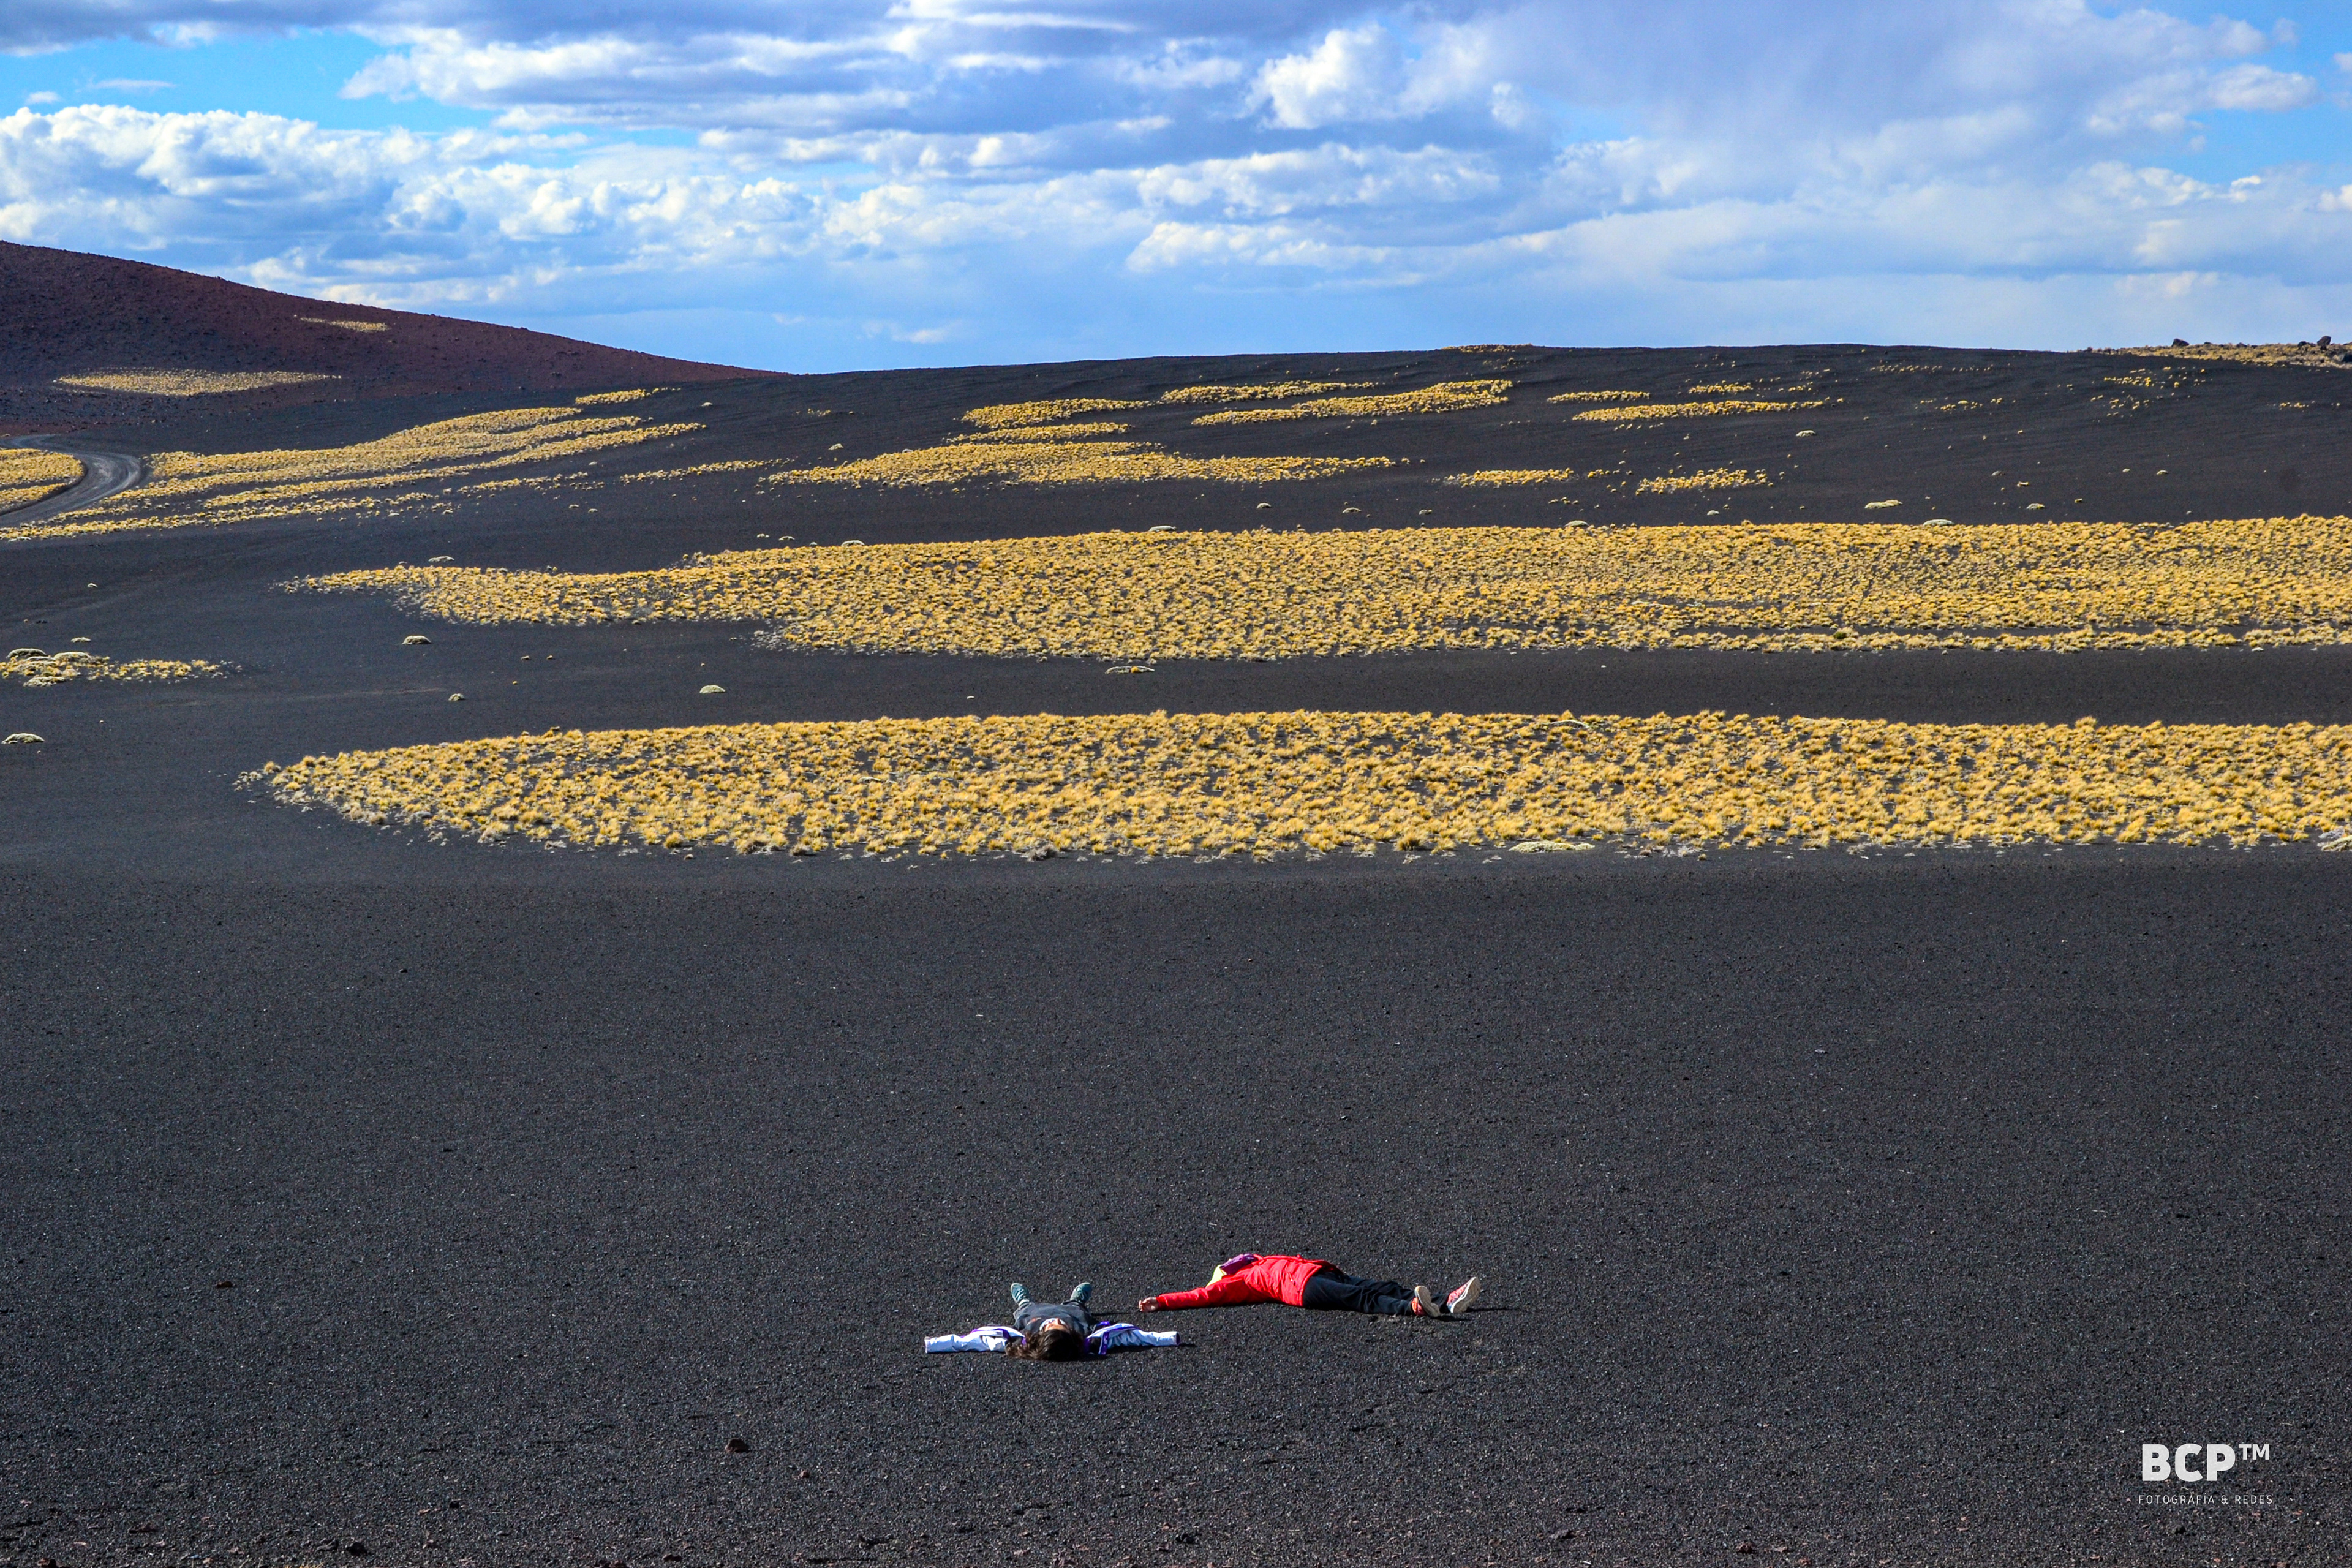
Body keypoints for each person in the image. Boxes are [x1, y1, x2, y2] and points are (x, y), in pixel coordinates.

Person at [1137, 1253, 1482, 1319]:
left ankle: (1446, 1301)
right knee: (1361, 1298)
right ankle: (1415, 1308)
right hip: (1304, 1292)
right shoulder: (1236, 1282)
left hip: (1320, 1273)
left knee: (1382, 1284)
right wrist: (1164, 1302)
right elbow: (1202, 1296)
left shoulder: (1257, 1260)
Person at [1005, 1279, 1093, 1360]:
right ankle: (1077, 1300)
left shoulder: (1029, 1334)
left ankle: (1023, 1301)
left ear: (1041, 1334)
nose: (1057, 1320)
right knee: (1077, 1308)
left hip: (1034, 1311)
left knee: (1025, 1309)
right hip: (1070, 1311)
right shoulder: (1080, 1333)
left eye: (1052, 1325)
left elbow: (1006, 1333)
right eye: (1063, 1326)